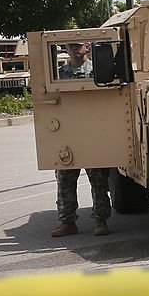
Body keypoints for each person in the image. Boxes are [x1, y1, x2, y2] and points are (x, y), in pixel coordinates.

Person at [51, 42, 112, 237]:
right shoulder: (60, 73)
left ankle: (100, 221)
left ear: (87, 47)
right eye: (70, 46)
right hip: (68, 132)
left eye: (78, 46)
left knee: (98, 179)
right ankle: (68, 222)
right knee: (65, 179)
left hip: (92, 131)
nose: (74, 50)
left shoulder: (97, 71)